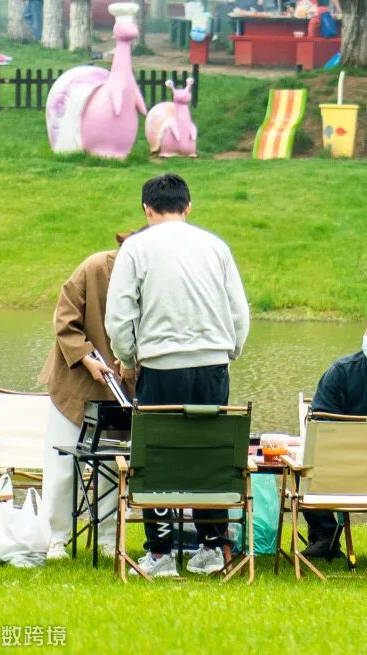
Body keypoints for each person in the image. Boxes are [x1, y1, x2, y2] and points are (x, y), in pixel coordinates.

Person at [105, 174, 250, 578]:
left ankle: (161, 553)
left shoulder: (136, 248)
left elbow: (119, 315)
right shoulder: (216, 246)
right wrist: (229, 351)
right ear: (188, 207)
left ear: (146, 209)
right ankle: (212, 547)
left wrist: (128, 357)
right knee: (209, 453)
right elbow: (238, 311)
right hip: (212, 366)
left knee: (158, 456)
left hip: (161, 365)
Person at [39, 232, 138, 561]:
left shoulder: (151, 277)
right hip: (75, 382)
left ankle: (108, 538)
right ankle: (56, 538)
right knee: (63, 465)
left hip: (121, 389)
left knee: (112, 465)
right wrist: (86, 358)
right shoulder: (93, 268)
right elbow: (64, 320)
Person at [300, 306, 367, 560]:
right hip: (343, 467)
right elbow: (321, 429)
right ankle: (325, 537)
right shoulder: (342, 372)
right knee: (303, 467)